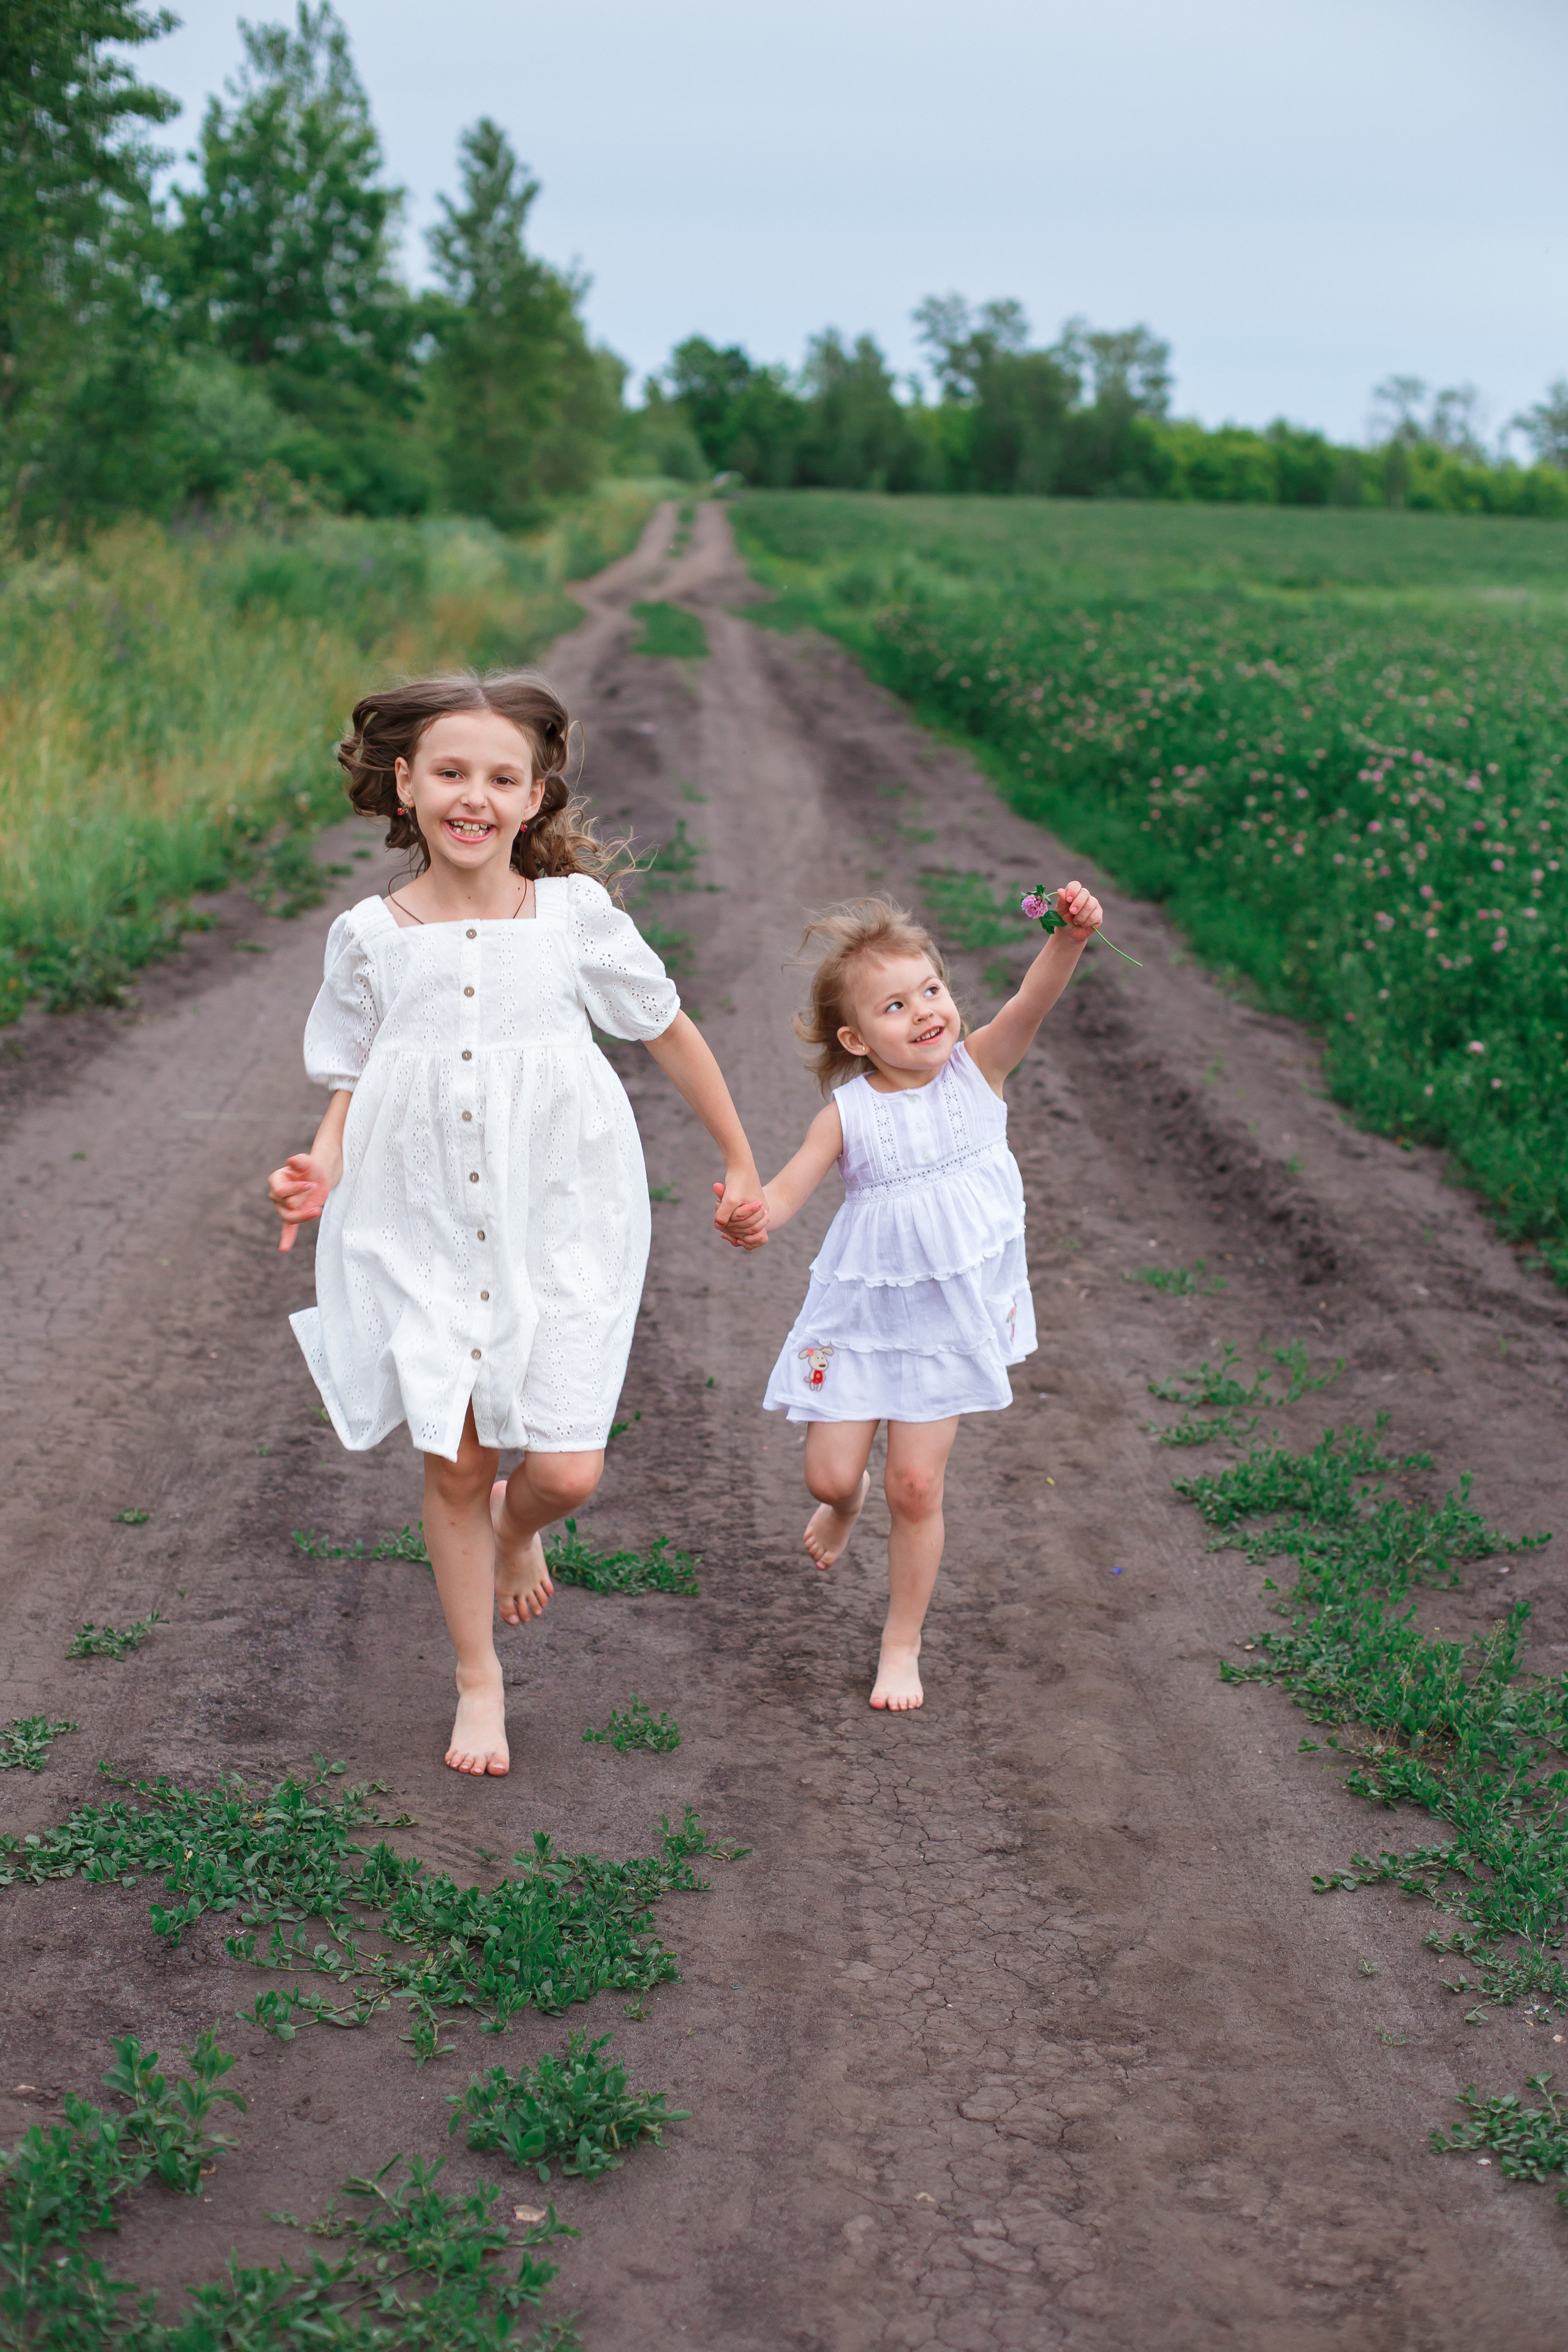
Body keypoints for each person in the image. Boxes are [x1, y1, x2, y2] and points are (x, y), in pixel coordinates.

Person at [268, 670, 763, 1778]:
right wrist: (318, 1169)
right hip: (424, 1216)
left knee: (568, 1470)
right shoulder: (370, 937)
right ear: (406, 785)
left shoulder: (572, 919)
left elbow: (667, 1029)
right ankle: (477, 1678)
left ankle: (519, 1523)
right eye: (449, 773)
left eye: (502, 777)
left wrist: (738, 1158)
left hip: (567, 1216)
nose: (473, 797)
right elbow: (349, 1078)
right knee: (458, 1457)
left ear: (535, 798)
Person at [720, 886, 1102, 1711]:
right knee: (829, 1477)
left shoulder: (980, 1068)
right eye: (896, 1006)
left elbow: (1033, 998)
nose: (926, 1012)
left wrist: (1069, 938)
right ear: (857, 1039)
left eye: (931, 990)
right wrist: (753, 1218)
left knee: (917, 1488)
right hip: (861, 1322)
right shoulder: (847, 1114)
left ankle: (901, 1642)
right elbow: (785, 1193)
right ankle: (844, 1505)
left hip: (944, 1324)